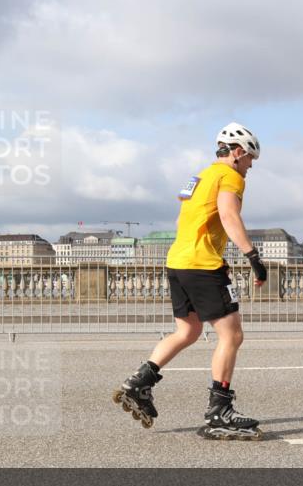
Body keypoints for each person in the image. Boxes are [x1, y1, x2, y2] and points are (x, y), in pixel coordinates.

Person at [112, 122, 268, 440]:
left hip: (177, 262)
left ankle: (138, 384)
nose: (251, 166)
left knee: (188, 330)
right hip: (203, 265)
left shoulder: (197, 177)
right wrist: (252, 256)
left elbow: (180, 219)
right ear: (238, 153)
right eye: (250, 158)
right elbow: (228, 214)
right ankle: (219, 412)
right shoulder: (231, 176)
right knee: (232, 335)